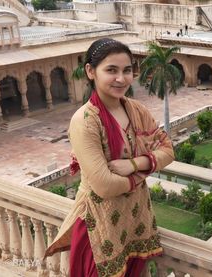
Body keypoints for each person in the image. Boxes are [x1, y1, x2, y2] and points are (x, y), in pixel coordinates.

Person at [44, 38, 174, 277]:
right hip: (99, 229)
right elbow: (104, 186)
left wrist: (134, 164)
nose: (121, 78)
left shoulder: (136, 110)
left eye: (126, 71)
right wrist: (140, 178)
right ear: (90, 71)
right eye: (111, 70)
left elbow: (167, 150)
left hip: (135, 223)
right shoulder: (86, 121)